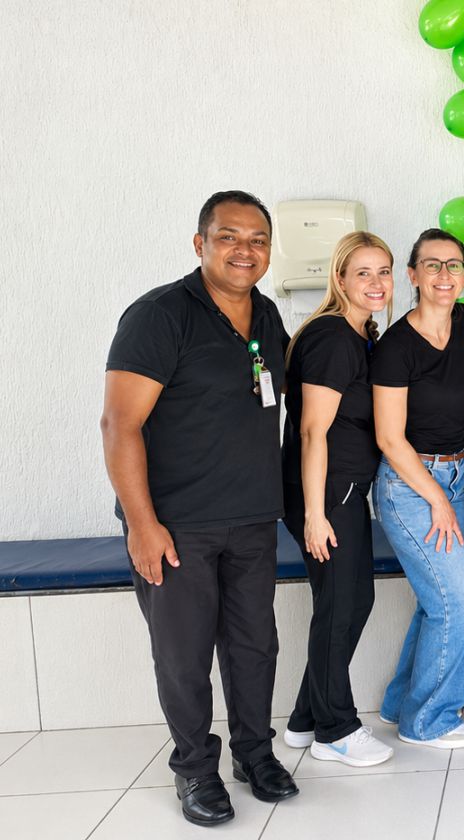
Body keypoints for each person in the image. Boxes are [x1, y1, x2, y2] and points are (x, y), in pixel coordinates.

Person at [101, 191, 299, 827]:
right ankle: (194, 768)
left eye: (258, 239)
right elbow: (119, 425)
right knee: (183, 656)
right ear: (200, 244)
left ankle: (254, 754)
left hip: (252, 518)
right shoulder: (159, 315)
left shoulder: (266, 315)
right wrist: (142, 525)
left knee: (254, 647)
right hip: (177, 524)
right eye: (229, 237)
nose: (245, 250)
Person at [278, 231, 395, 767]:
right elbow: (312, 431)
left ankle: (305, 718)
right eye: (362, 273)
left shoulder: (359, 333)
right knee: (340, 605)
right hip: (326, 492)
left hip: (344, 488)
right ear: (341, 279)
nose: (376, 282)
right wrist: (314, 513)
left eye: (383, 271)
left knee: (350, 600)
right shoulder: (331, 338)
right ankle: (336, 729)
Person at [372, 228, 464, 750]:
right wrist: (437, 498)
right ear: (412, 275)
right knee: (459, 600)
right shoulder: (395, 347)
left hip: (456, 475)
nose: (444, 274)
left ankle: (400, 705)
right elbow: (389, 439)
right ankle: (428, 721)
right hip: (410, 486)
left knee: (436, 600)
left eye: (454, 264)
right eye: (432, 265)